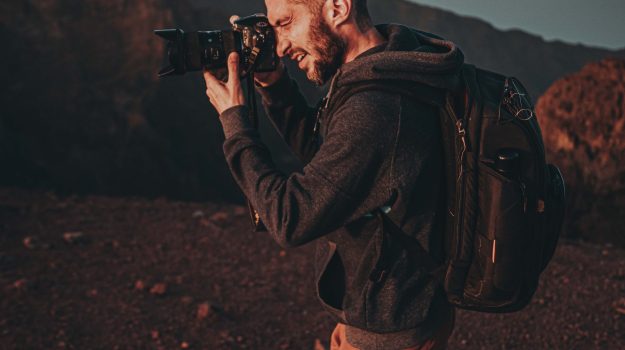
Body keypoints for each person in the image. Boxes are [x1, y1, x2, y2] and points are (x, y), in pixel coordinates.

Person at [203, 0, 464, 349]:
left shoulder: (376, 109)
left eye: (285, 23)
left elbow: (289, 218)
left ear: (338, 7)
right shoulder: (392, 64)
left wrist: (235, 121)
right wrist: (276, 86)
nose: (279, 47)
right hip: (402, 310)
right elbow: (332, 158)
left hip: (390, 332)